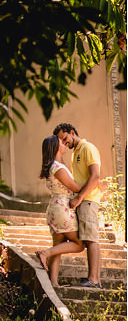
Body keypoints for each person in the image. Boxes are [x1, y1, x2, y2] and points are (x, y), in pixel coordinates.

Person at [54, 122, 104, 288]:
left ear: (73, 132)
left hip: (88, 200)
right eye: (61, 140)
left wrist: (80, 197)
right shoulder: (75, 153)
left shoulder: (87, 148)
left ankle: (94, 280)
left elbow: (95, 176)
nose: (64, 142)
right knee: (88, 239)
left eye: (65, 138)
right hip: (83, 201)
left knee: (91, 239)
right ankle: (93, 278)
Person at [34, 135, 84, 287]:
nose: (64, 144)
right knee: (80, 244)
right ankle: (45, 253)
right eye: (61, 143)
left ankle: (54, 284)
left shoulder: (53, 166)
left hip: (56, 208)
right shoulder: (57, 168)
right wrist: (93, 183)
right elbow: (75, 188)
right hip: (62, 207)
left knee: (58, 247)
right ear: (56, 148)